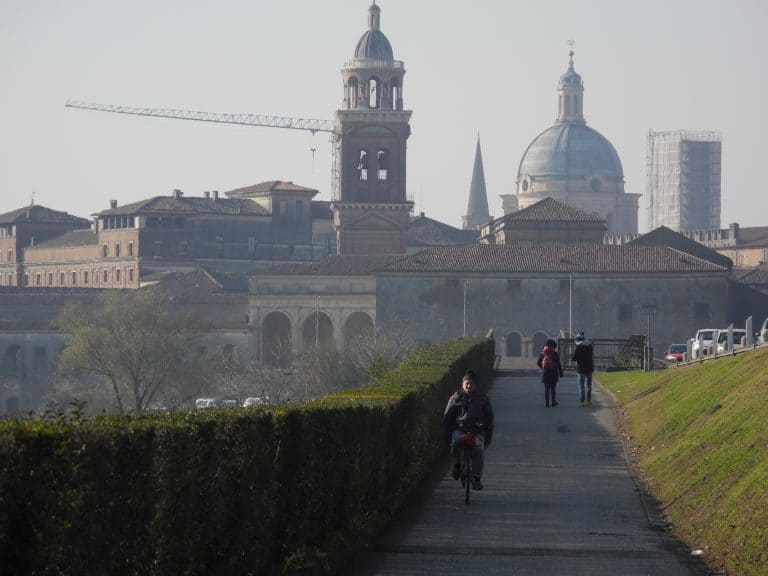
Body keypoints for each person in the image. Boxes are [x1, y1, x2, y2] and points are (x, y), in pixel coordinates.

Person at [443, 370, 494, 490]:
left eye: (472, 384)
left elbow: (489, 418)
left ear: (475, 385)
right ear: (462, 384)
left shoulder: (483, 399)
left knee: (479, 450)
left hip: (477, 431)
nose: (469, 386)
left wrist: (488, 435)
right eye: (467, 383)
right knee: (455, 443)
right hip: (459, 429)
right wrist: (447, 433)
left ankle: (476, 478)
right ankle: (457, 464)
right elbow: (447, 416)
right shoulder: (455, 398)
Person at [537, 338, 563, 408]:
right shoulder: (555, 353)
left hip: (545, 373)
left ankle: (547, 403)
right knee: (553, 388)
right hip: (554, 373)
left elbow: (538, 363)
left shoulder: (542, 353)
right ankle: (553, 402)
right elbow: (558, 364)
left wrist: (543, 367)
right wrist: (560, 373)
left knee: (546, 388)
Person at [572, 331, 595, 406]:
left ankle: (582, 402)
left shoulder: (578, 347)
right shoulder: (590, 346)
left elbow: (574, 358)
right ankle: (588, 401)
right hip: (589, 368)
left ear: (578, 340)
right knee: (589, 385)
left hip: (581, 368)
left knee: (581, 385)